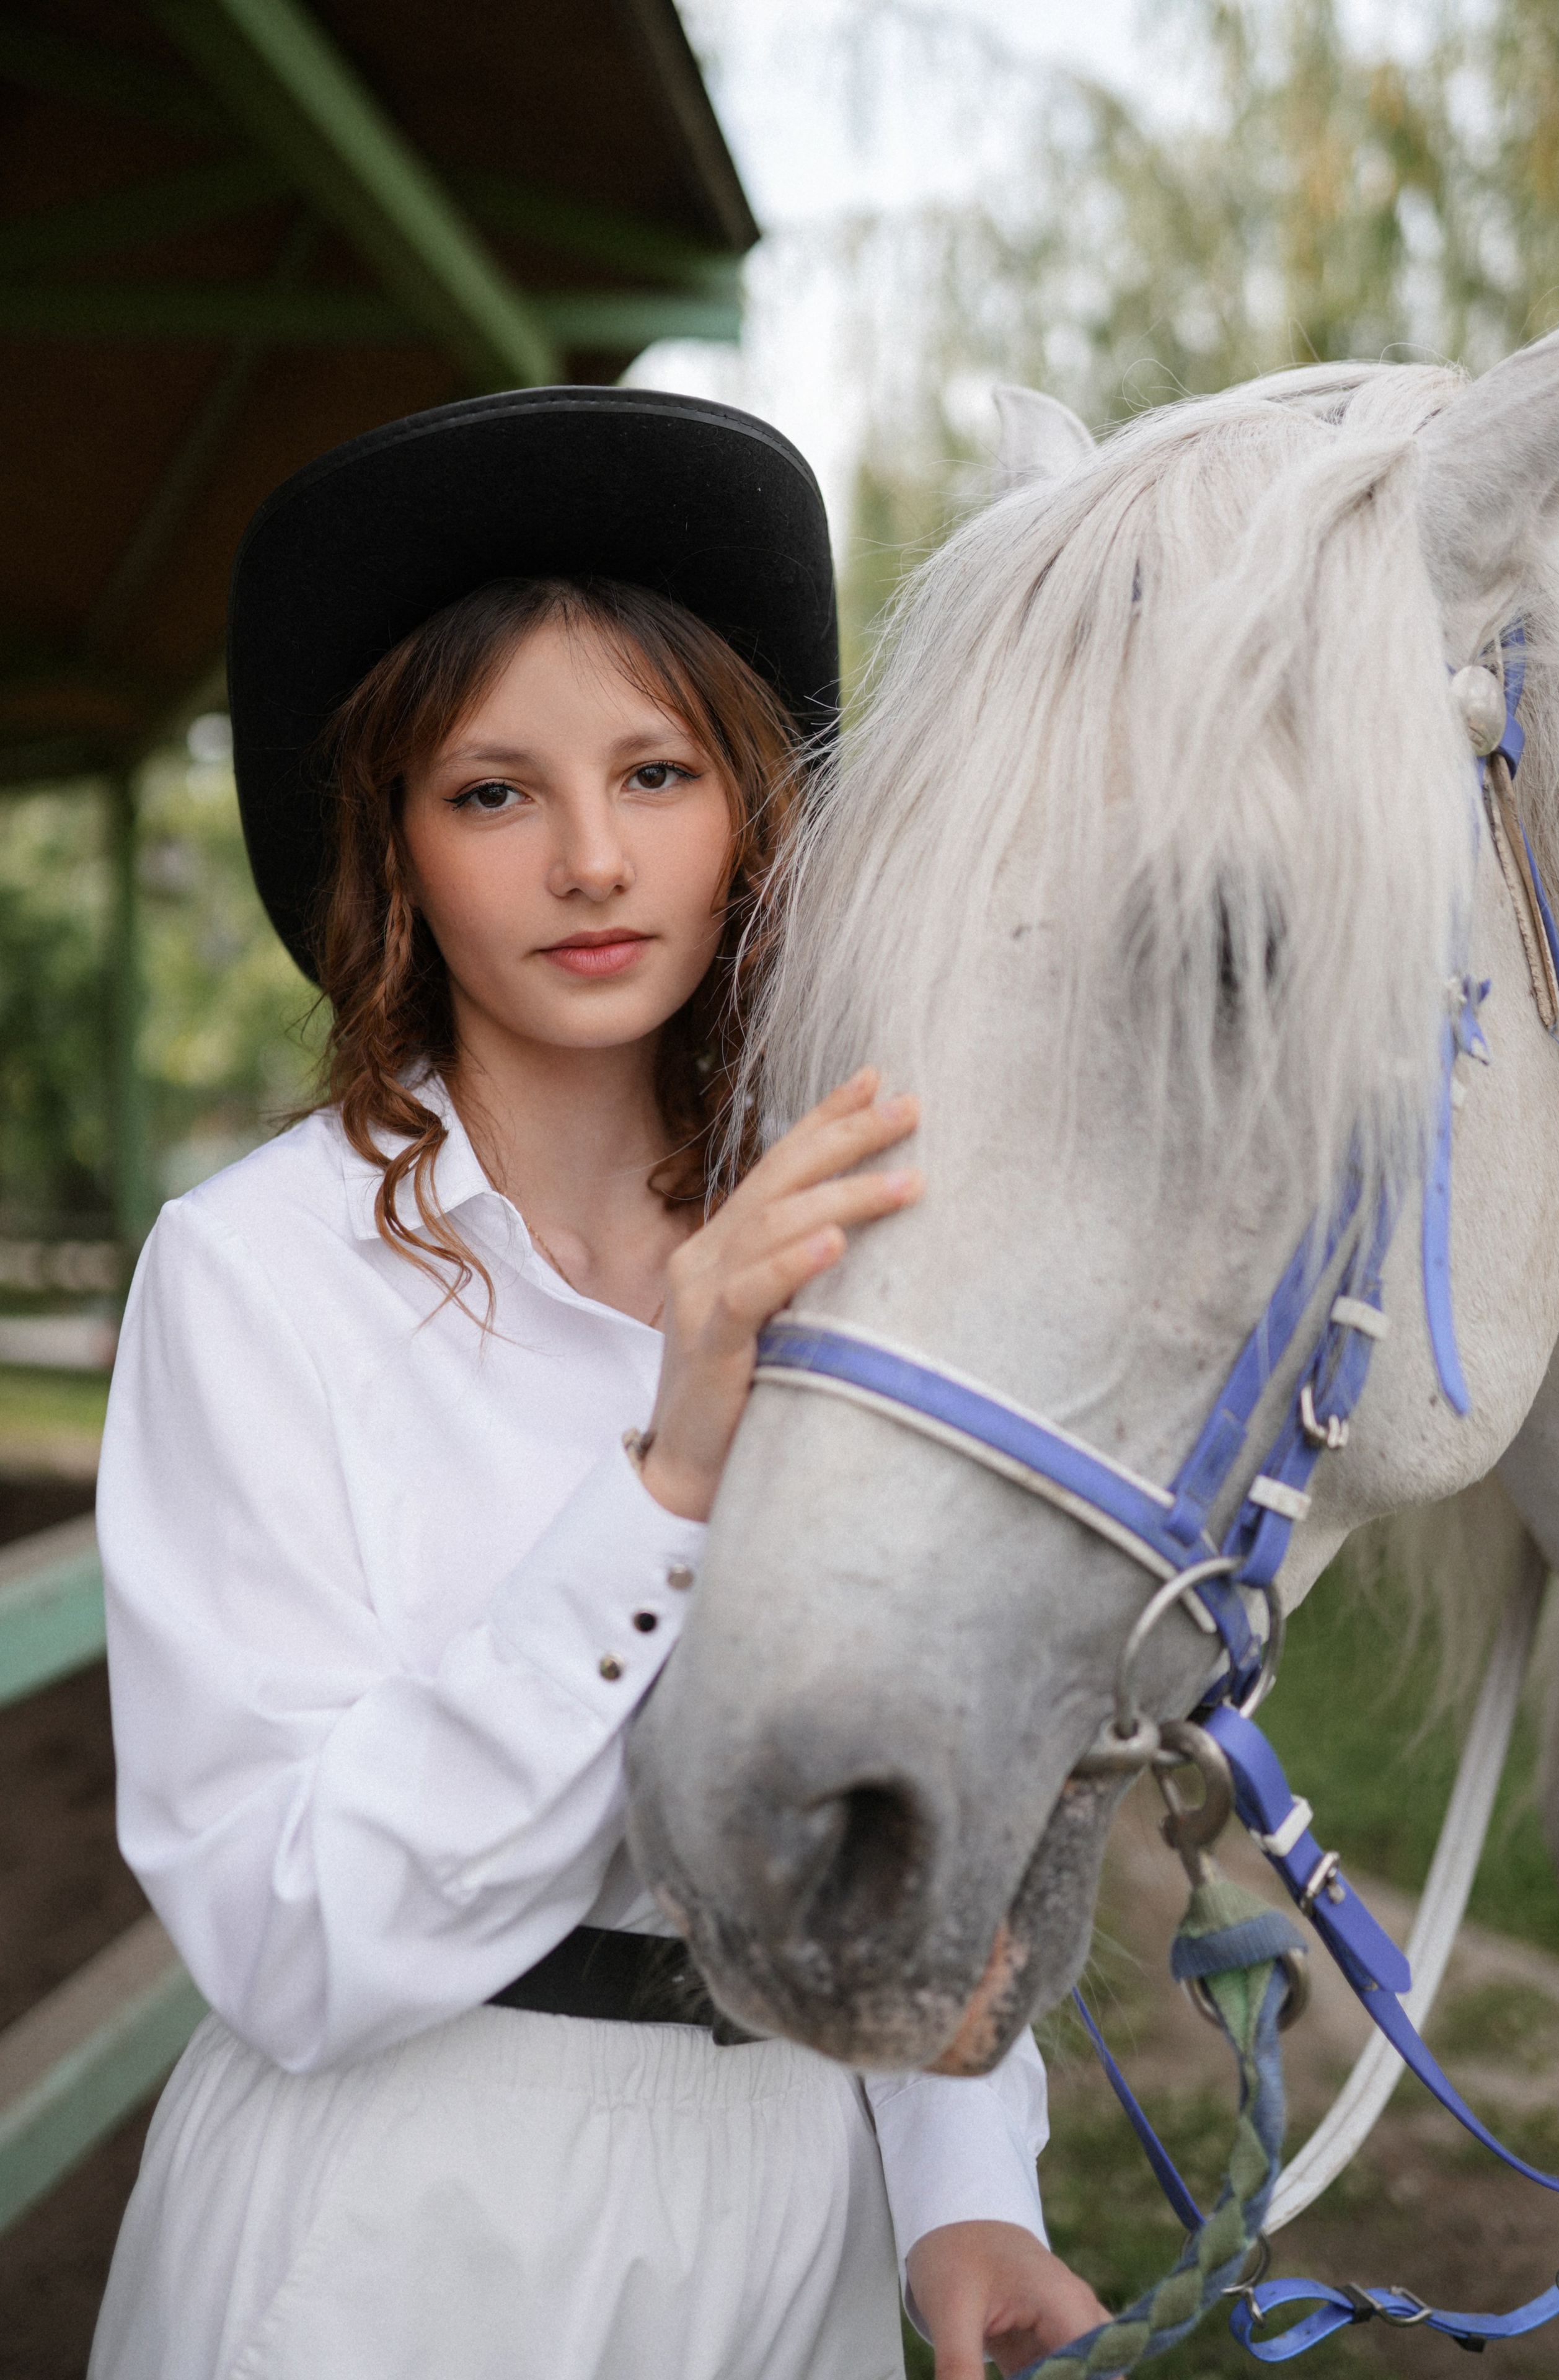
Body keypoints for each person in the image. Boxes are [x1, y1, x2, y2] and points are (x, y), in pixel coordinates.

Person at [89, 387, 1108, 2380]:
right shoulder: (250, 1278)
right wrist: (668, 1471)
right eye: (491, 791)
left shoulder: (859, 1237)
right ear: (390, 837)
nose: (586, 859)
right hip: (394, 2210)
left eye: (654, 772)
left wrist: (970, 2189)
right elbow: (290, 1938)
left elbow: (914, 1809)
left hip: (787, 2201)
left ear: (750, 809)